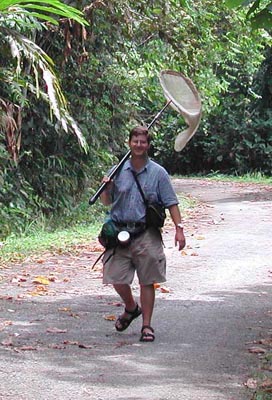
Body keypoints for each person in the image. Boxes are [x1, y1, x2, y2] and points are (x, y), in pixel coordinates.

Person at [100, 126, 185, 342]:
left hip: (146, 232)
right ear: (129, 143)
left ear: (148, 145)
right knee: (115, 277)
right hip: (119, 231)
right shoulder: (117, 170)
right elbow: (107, 202)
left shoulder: (158, 173)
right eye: (135, 141)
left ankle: (147, 326)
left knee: (147, 281)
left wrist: (179, 229)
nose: (139, 145)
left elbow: (171, 202)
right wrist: (107, 188)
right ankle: (131, 308)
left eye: (143, 142)